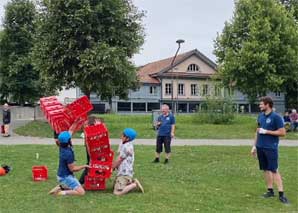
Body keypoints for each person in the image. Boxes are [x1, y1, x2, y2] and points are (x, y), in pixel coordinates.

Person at [251, 96, 289, 204]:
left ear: (267, 104)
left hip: (271, 148)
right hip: (260, 147)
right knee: (265, 169)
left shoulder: (276, 117)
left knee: (274, 170)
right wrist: (254, 146)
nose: (259, 106)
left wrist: (266, 131)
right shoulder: (260, 116)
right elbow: (257, 131)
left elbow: (282, 133)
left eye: (261, 104)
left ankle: (281, 194)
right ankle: (270, 191)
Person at [49, 120, 89, 196]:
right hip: (65, 177)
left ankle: (60, 187)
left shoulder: (61, 145)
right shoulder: (68, 153)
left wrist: (77, 121)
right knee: (81, 192)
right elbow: (73, 169)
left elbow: (71, 130)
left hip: (62, 175)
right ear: (69, 140)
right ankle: (59, 193)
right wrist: (85, 166)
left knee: (78, 186)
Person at [112, 128, 144, 196]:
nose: (121, 136)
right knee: (115, 186)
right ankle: (130, 182)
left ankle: (134, 185)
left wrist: (112, 167)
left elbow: (120, 159)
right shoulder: (123, 143)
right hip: (123, 171)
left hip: (124, 173)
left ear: (127, 138)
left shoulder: (127, 147)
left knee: (117, 192)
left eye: (123, 135)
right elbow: (118, 155)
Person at [79, 116, 104, 184]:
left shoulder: (90, 127)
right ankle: (81, 181)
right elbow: (87, 142)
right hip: (91, 149)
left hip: (95, 148)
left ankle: (96, 180)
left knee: (96, 163)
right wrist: (90, 153)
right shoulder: (88, 130)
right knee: (90, 164)